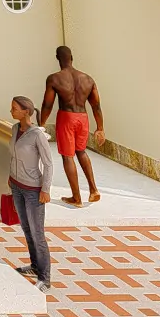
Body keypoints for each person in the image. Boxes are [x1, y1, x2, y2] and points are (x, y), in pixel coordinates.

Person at [41, 46, 104, 206]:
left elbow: (47, 105)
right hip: (83, 117)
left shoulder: (54, 79)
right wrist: (100, 128)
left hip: (66, 117)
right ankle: (94, 190)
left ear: (57, 58)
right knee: (81, 151)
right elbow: (96, 106)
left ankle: (76, 198)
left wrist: (41, 124)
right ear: (72, 57)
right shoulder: (88, 79)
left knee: (68, 156)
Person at [8, 95, 55, 290]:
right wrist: (11, 177)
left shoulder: (37, 135)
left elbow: (48, 164)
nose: (11, 111)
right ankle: (35, 266)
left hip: (33, 190)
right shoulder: (15, 129)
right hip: (16, 185)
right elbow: (13, 156)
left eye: (14, 108)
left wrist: (45, 189)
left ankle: (45, 278)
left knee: (38, 233)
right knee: (26, 229)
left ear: (26, 111)